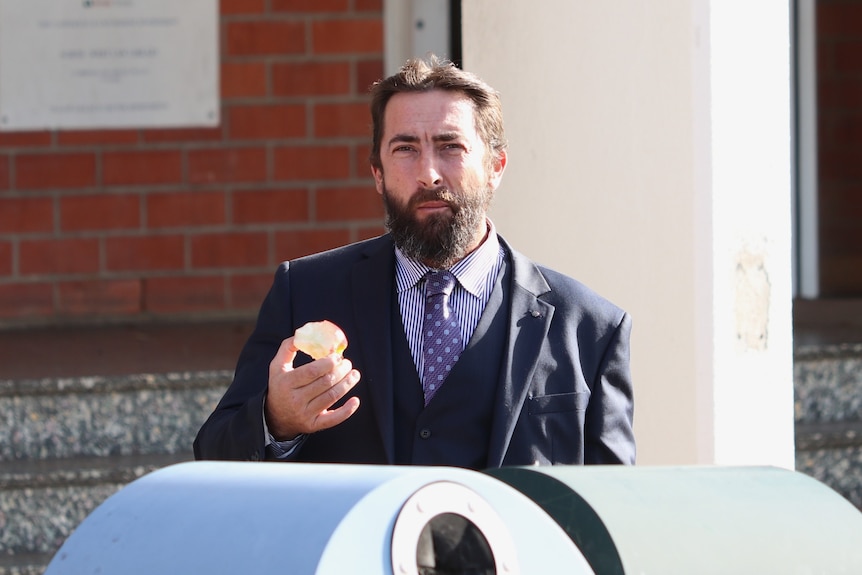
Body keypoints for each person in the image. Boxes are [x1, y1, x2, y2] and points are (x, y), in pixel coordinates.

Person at [193, 56, 635, 468]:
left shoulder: (590, 327)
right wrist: (276, 420)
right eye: (405, 149)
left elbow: (613, 509)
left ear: (496, 166)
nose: (429, 173)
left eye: (450, 147)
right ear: (377, 173)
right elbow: (214, 453)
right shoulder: (304, 291)